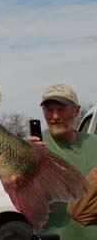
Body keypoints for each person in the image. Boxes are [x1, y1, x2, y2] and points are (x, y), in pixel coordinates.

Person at [32, 84, 97, 239]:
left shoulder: (95, 143)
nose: (55, 116)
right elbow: (24, 205)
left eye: (61, 109)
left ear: (76, 110)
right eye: (49, 110)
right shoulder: (31, 149)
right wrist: (24, 164)